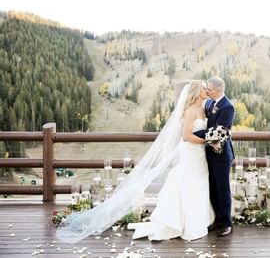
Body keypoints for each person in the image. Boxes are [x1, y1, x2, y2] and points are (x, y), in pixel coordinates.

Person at [57, 80, 214, 243]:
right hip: (191, 152)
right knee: (190, 183)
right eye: (203, 88)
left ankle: (196, 221)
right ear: (196, 92)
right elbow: (186, 136)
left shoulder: (202, 108)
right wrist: (207, 140)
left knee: (199, 183)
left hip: (199, 154)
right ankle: (183, 223)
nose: (206, 90)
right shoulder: (190, 111)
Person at [204, 76, 235, 237]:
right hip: (208, 152)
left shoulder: (228, 107)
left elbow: (219, 132)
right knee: (212, 188)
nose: (206, 91)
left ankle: (226, 223)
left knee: (223, 189)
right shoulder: (209, 103)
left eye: (208, 89)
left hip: (221, 154)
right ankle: (217, 219)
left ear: (217, 90)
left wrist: (195, 134)